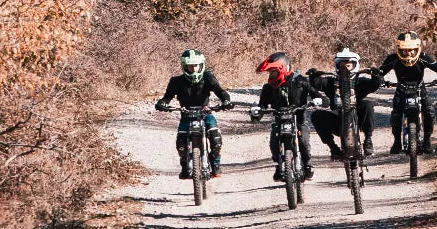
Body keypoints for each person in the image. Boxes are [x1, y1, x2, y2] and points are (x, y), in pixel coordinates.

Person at [155, 49, 234, 179]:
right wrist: (162, 103)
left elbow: (220, 91)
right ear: (184, 66)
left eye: (196, 66)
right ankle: (185, 166)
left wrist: (226, 101)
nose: (194, 69)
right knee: (181, 144)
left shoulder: (208, 77)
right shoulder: (176, 81)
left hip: (205, 113)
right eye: (190, 66)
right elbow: (167, 97)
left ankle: (215, 163)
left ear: (201, 65)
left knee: (216, 138)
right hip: (186, 114)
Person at [252, 52, 327, 181]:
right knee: (274, 143)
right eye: (270, 73)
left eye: (273, 72)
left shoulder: (300, 81)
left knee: (303, 141)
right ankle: (280, 164)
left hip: (299, 119)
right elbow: (262, 105)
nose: (271, 75)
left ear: (282, 68)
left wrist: (319, 100)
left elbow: (316, 94)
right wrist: (257, 112)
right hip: (280, 120)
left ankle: (308, 164)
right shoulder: (268, 87)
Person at [379, 31, 437, 154]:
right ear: (399, 49)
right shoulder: (392, 59)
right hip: (401, 89)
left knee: (429, 112)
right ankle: (397, 142)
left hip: (420, 89)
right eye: (404, 50)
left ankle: (427, 141)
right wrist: (379, 79)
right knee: (396, 115)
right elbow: (379, 73)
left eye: (411, 50)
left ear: (417, 48)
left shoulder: (424, 57)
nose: (408, 53)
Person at [308, 48, 382, 158]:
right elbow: (318, 83)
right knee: (316, 115)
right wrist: (313, 75)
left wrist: (376, 75)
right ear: (337, 66)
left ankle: (368, 140)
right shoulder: (332, 81)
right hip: (338, 119)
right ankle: (333, 148)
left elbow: (373, 85)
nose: (345, 68)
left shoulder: (359, 81)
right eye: (342, 65)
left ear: (354, 65)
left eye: (348, 66)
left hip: (357, 118)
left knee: (368, 104)